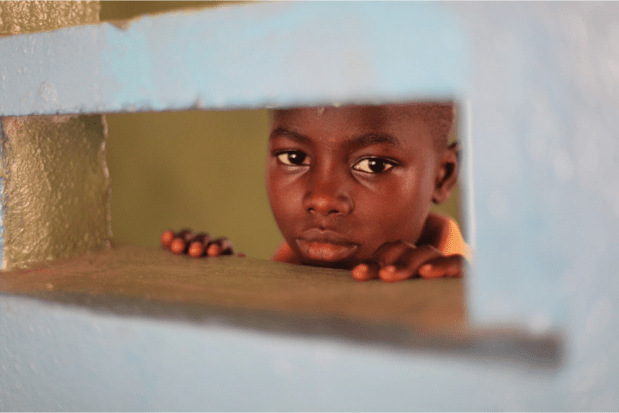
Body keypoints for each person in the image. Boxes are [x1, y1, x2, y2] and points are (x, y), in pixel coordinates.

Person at [162, 102, 470, 282]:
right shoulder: (277, 276)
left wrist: (444, 306)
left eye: (373, 165)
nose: (322, 199)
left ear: (442, 177)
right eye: (293, 158)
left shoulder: (472, 291)